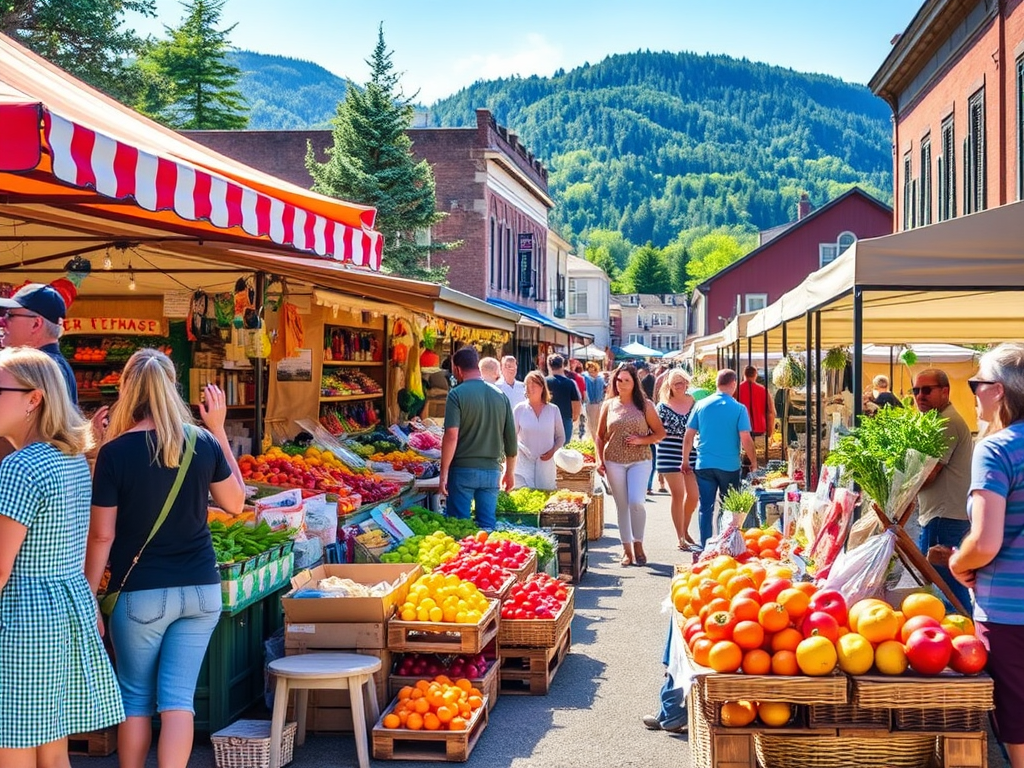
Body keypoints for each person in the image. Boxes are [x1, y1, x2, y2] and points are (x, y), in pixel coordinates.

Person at [85, 348, 245, 768]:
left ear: (127, 389)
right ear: (171, 388)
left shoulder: (114, 453)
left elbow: (102, 534)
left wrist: (87, 594)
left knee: (135, 698)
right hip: (201, 589)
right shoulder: (202, 442)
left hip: (140, 594)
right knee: (178, 701)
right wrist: (218, 430)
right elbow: (236, 502)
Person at [0, 347, 123, 765]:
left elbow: (1, 566)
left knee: (11, 745)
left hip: (21, 616)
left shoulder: (20, 467)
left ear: (33, 399)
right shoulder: (69, 458)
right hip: (65, 609)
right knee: (53, 749)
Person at [949, 343, 1024, 768]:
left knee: (1016, 716)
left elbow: (986, 541)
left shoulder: (997, 449)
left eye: (976, 383)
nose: (973, 391)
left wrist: (959, 562)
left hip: (1010, 612)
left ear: (999, 391)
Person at [912, 367, 974, 613]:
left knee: (946, 579)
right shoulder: (937, 420)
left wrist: (900, 490)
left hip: (944, 516)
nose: (919, 396)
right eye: (916, 391)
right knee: (944, 576)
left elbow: (930, 473)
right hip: (943, 514)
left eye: (927, 390)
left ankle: (967, 627)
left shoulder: (946, 422)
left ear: (945, 391)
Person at [595, 364, 666, 567]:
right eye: (619, 380)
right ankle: (626, 550)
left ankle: (638, 544)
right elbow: (600, 436)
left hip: (640, 459)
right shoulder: (608, 405)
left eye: (627, 380)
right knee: (622, 506)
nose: (622, 384)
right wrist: (600, 460)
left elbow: (660, 434)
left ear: (635, 383)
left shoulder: (645, 405)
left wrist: (641, 440)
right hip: (614, 460)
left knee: (636, 501)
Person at [439, 345, 517, 529]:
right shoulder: (501, 395)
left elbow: (451, 435)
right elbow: (511, 441)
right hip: (492, 471)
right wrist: (510, 473)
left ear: (457, 369)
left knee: (460, 527)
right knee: (487, 526)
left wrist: (443, 473)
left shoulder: (456, 394)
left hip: (462, 471)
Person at [682, 369, 757, 548]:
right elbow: (746, 438)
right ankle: (724, 544)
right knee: (728, 507)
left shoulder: (700, 405)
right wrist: (753, 462)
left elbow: (689, 435)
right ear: (733, 384)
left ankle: (705, 545)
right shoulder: (739, 408)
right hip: (729, 465)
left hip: (704, 464)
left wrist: (685, 460)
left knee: (705, 507)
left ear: (717, 384)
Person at [0, 282, 77, 405]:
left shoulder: (35, 368)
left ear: (36, 324)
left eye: (10, 315)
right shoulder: (53, 365)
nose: (2, 321)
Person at [656, 369, 700, 551]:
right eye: (676, 383)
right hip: (668, 453)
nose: (680, 386)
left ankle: (685, 528)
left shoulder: (695, 403)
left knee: (694, 496)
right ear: (670, 386)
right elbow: (656, 433)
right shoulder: (663, 406)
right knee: (678, 494)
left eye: (682, 382)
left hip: (691, 454)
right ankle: (680, 536)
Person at [512, 371, 565, 490]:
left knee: (545, 494)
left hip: (546, 462)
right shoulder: (519, 409)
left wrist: (553, 451)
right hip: (523, 462)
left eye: (533, 385)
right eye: (527, 385)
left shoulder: (553, 410)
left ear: (542, 387)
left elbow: (561, 437)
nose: (529, 388)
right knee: (525, 496)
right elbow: (511, 437)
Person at [637, 362, 666, 494]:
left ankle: (647, 485)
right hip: (652, 421)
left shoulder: (647, 382)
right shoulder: (656, 380)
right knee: (652, 459)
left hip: (646, 427)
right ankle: (649, 485)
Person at [545, 354, 581, 445]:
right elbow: (576, 403)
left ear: (549, 366)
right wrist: (574, 417)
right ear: (563, 365)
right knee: (563, 450)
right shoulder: (570, 383)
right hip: (565, 419)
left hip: (547, 419)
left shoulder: (544, 382)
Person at [582, 361, 606, 443]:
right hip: (592, 403)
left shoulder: (599, 378)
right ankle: (595, 442)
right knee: (593, 424)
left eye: (593, 370)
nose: (592, 372)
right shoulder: (587, 377)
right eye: (590, 370)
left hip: (598, 403)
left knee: (597, 423)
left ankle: (598, 441)